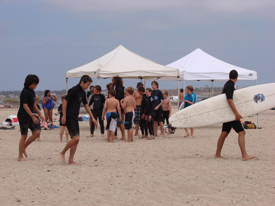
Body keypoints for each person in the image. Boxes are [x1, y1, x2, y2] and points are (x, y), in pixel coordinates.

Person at [215, 70, 255, 161]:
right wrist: (236, 113)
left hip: (227, 113)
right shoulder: (230, 86)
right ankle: (244, 155)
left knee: (224, 133)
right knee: (242, 132)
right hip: (231, 114)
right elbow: (229, 100)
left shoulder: (227, 84)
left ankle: (217, 154)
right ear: (237, 77)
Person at [59, 75, 97, 165]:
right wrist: (64, 116)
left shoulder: (83, 93)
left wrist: (92, 117)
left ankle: (71, 160)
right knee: (75, 138)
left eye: (89, 85)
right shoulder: (74, 90)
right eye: (87, 85)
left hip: (75, 117)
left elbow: (86, 105)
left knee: (76, 140)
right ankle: (62, 152)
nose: (88, 87)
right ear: (82, 82)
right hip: (69, 116)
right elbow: (65, 101)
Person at [17, 74, 45, 161]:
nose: (36, 86)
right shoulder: (25, 92)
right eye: (35, 84)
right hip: (23, 115)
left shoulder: (32, 91)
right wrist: (33, 116)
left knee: (36, 133)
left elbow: (33, 104)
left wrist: (39, 113)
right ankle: (20, 156)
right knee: (24, 136)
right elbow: (25, 106)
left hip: (30, 115)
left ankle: (23, 148)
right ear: (31, 83)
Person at [112, 76, 126, 140]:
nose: (112, 81)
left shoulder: (119, 89)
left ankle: (123, 136)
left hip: (118, 107)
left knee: (120, 122)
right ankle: (115, 135)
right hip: (117, 107)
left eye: (113, 80)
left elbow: (118, 99)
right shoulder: (117, 88)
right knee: (115, 121)